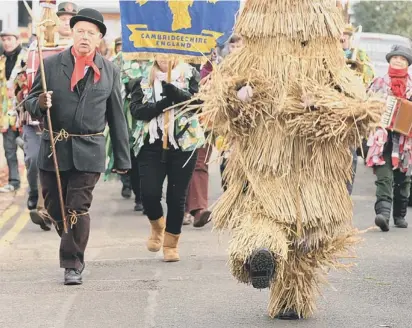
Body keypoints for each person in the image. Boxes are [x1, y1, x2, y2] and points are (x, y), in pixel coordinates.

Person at [25, 8, 131, 285]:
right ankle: (72, 243)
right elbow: (29, 101)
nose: (85, 37)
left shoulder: (110, 71)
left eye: (91, 33)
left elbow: (117, 115)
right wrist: (40, 104)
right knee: (56, 207)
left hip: (90, 149)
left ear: (99, 39)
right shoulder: (50, 65)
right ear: (72, 33)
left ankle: (73, 263)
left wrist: (122, 158)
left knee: (76, 207)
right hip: (54, 149)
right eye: (80, 31)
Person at [130, 58, 203, 262]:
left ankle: (171, 244)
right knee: (149, 193)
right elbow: (136, 111)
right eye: (160, 53)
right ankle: (157, 226)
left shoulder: (190, 74)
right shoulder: (141, 78)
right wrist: (162, 104)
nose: (164, 58)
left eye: (168, 53)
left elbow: (199, 105)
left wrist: (178, 95)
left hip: (184, 144)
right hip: (151, 144)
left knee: (176, 197)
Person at [18, 1, 78, 231]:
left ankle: (48, 210)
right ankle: (36, 198)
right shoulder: (34, 48)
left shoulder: (76, 48)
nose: (64, 21)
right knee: (35, 161)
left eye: (68, 19)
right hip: (35, 120)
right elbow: (22, 81)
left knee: (58, 168)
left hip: (64, 122)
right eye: (60, 17)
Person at [366, 45, 412, 232]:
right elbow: (367, 103)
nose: (398, 60)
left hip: (405, 142)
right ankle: (383, 215)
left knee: (403, 180)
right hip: (382, 137)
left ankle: (399, 215)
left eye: (402, 58)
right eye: (395, 58)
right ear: (389, 60)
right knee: (384, 177)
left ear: (407, 64)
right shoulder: (379, 82)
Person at [108, 37, 150, 212]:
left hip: (152, 114)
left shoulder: (157, 58)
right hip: (129, 114)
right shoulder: (120, 59)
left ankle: (149, 197)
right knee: (133, 155)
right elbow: (111, 84)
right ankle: (139, 196)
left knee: (149, 156)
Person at [0, 29, 27, 193]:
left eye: (9, 39)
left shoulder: (26, 57)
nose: (6, 42)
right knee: (9, 150)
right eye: (3, 40)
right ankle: (14, 181)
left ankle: (36, 182)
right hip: (5, 113)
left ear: (17, 40)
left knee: (29, 149)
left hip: (23, 112)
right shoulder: (1, 60)